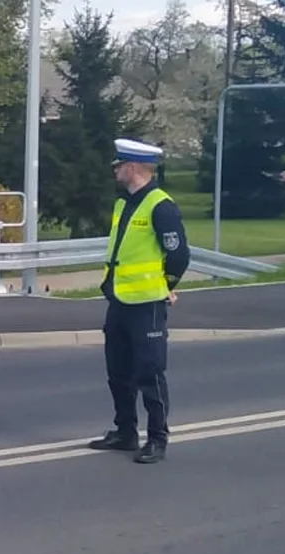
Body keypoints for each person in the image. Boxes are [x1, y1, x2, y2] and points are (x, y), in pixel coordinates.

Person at [87, 139, 190, 464]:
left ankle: (157, 439)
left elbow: (179, 255)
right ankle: (126, 432)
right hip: (119, 302)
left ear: (132, 167)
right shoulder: (123, 204)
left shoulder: (161, 206)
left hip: (148, 306)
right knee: (118, 372)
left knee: (150, 374)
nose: (115, 170)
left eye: (118, 165)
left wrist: (166, 286)